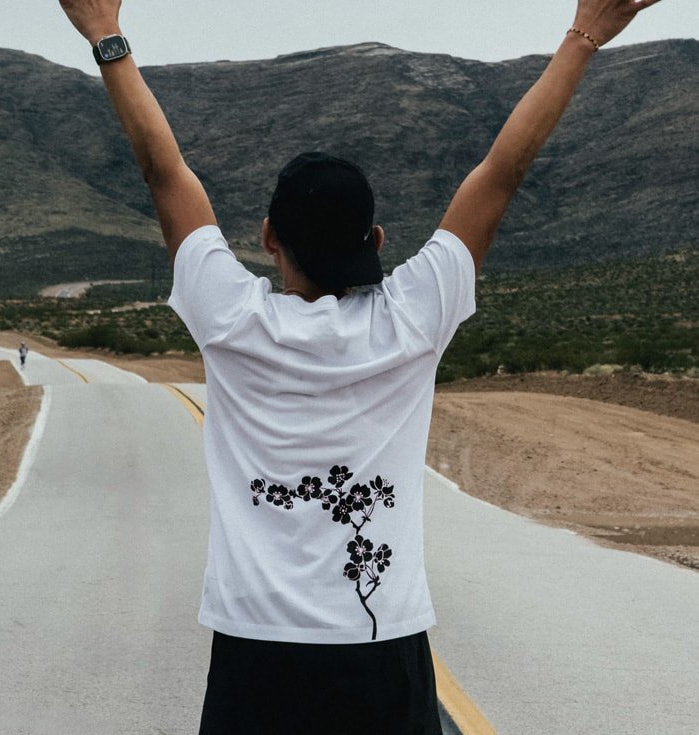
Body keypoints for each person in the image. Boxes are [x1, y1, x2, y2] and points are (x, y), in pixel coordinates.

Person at [58, 1, 665, 732]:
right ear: (376, 237)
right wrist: (585, 35)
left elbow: (164, 171)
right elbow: (502, 174)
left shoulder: (231, 318)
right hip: (382, 646)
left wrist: (105, 34)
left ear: (267, 236)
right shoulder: (414, 316)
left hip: (257, 654)